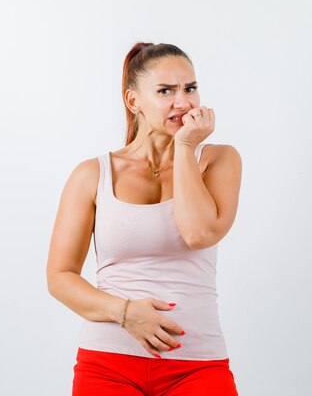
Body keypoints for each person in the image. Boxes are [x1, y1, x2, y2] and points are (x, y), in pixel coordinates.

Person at [46, 42, 243, 396]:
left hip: (198, 365)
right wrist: (125, 313)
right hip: (108, 362)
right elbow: (60, 278)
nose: (183, 102)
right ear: (133, 101)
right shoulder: (93, 174)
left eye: (190, 88)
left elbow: (198, 233)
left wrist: (183, 147)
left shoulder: (219, 160)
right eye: (166, 91)